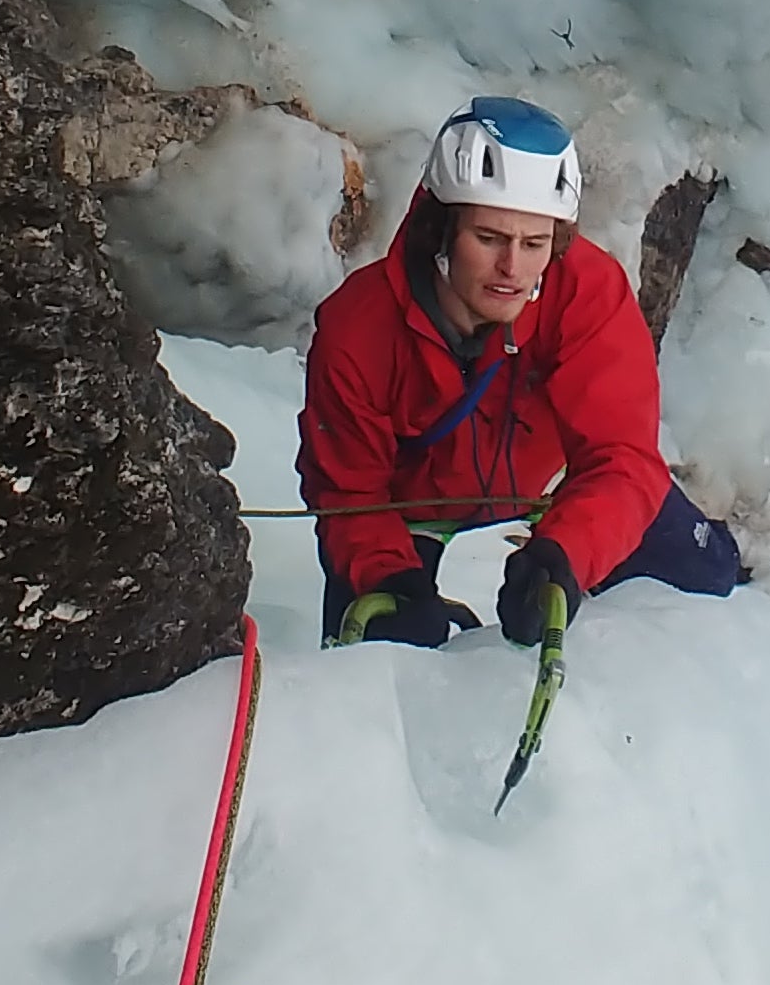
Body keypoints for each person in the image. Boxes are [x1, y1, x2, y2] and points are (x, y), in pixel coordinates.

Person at [299, 94, 743, 648]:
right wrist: (387, 574)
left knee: (712, 575)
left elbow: (622, 458)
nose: (512, 268)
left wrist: (566, 553)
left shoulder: (584, 291)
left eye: (534, 243)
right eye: (489, 239)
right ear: (441, 231)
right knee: (372, 665)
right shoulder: (358, 327)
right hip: (411, 508)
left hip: (555, 482)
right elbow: (348, 491)